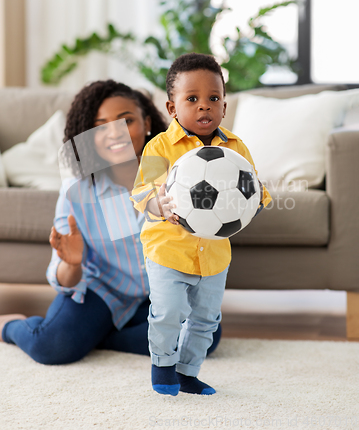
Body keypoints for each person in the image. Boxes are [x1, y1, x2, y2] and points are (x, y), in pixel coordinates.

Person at [0, 79, 221, 364]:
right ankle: (10, 324)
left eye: (125, 121)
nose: (113, 133)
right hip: (101, 291)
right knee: (51, 347)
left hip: (157, 293)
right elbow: (63, 279)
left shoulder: (179, 173)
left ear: (148, 123)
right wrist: (73, 263)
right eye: (100, 125)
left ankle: (98, 336)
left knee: (205, 336)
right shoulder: (78, 189)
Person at [131, 53, 272, 396]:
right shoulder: (160, 146)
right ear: (172, 107)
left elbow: (254, 191)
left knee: (207, 320)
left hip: (213, 255)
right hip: (167, 250)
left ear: (225, 106)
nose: (204, 107)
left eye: (213, 98)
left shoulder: (235, 149)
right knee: (169, 311)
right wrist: (157, 204)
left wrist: (254, 205)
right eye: (192, 99)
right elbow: (141, 193)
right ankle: (162, 365)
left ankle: (187, 372)